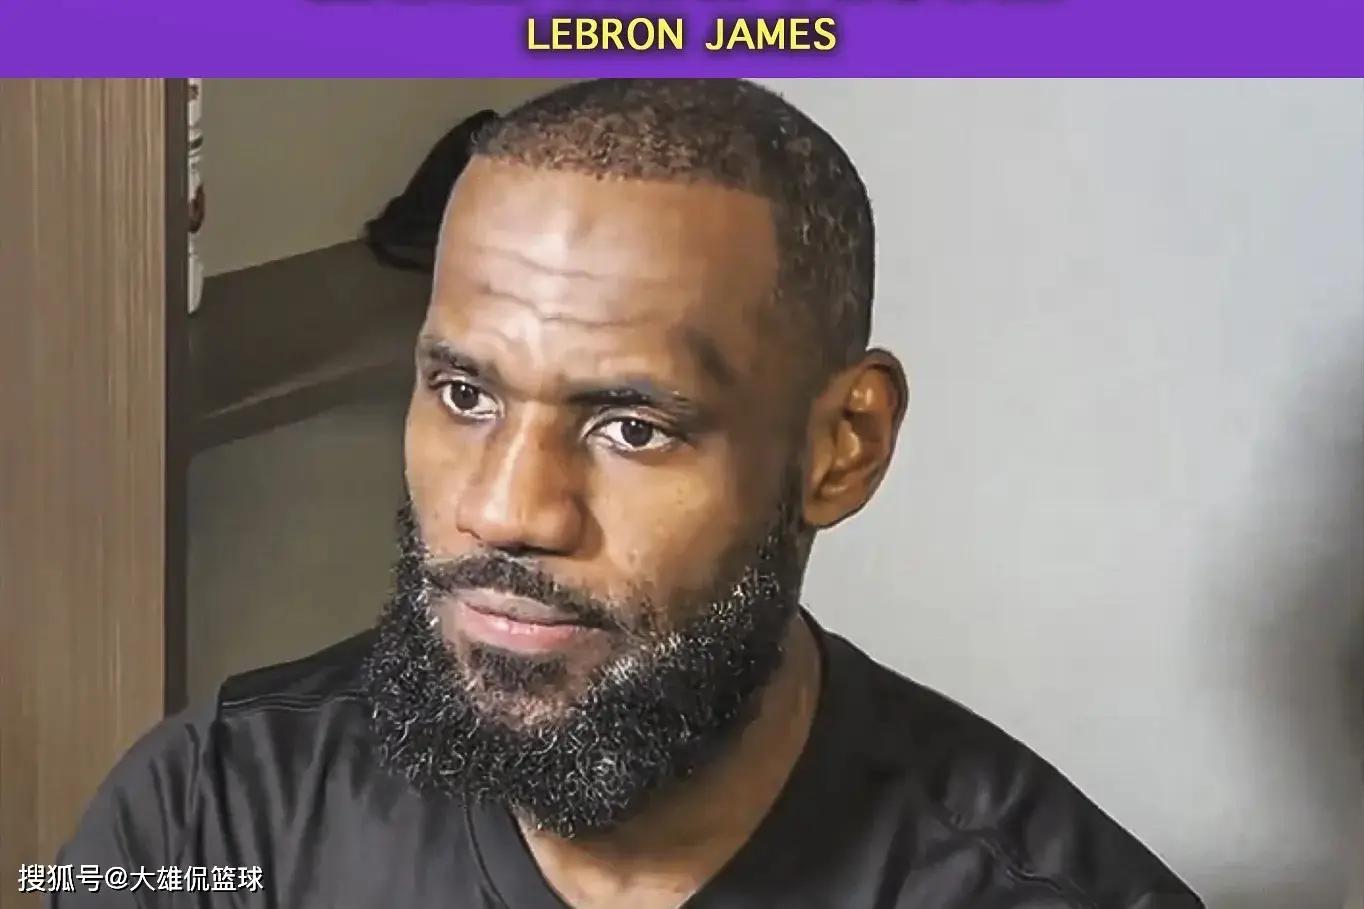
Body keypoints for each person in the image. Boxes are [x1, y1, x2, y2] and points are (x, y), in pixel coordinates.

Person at [56, 79, 1203, 908]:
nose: (507, 510)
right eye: (464, 395)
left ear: (841, 448)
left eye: (630, 426)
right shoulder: (204, 821)